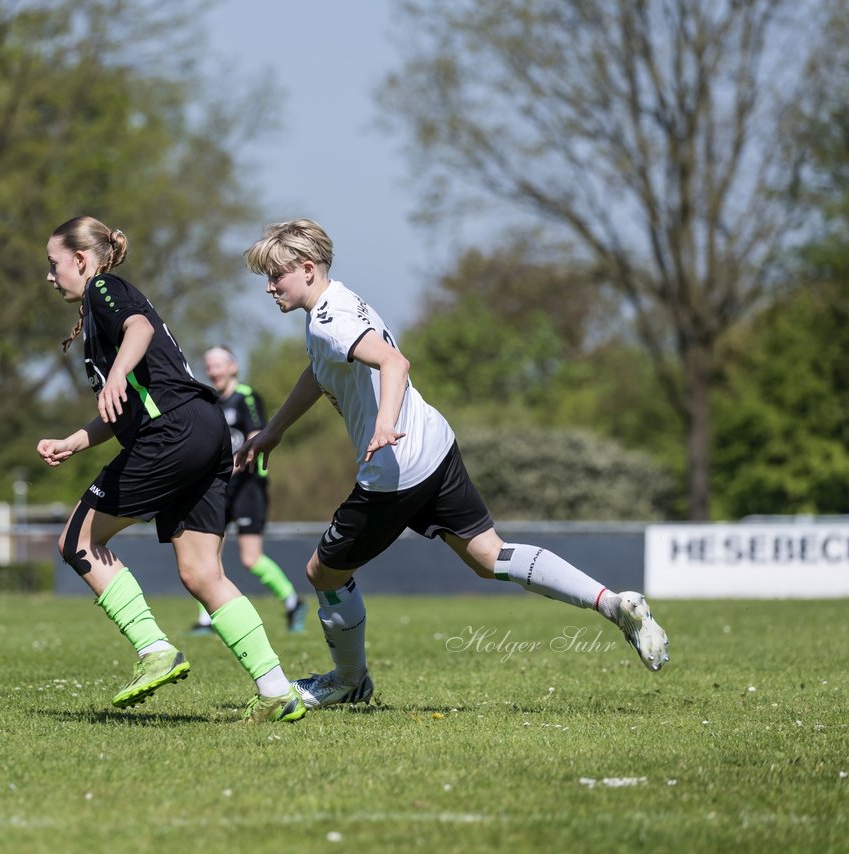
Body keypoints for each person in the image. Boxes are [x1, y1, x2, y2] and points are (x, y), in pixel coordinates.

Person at [237, 219, 670, 710]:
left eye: (276, 276)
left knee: (323, 574)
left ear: (308, 269)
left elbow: (395, 364)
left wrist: (383, 423)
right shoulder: (340, 303)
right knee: (490, 556)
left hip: (394, 471)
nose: (270, 288)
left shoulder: (329, 320)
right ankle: (612, 603)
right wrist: (275, 428)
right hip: (435, 446)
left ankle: (349, 680)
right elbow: (322, 370)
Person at [36, 215, 305, 723]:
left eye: (54, 265)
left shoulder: (104, 289)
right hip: (202, 432)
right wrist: (76, 441)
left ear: (80, 259)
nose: (50, 276)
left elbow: (138, 330)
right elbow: (126, 406)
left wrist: (115, 373)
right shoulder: (96, 314)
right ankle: (277, 691)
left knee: (77, 540)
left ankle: (153, 649)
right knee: (203, 572)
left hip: (173, 433)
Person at [189, 346, 307, 635]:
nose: (213, 370)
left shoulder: (247, 397)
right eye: (209, 366)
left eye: (218, 364)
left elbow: (255, 438)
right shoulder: (211, 402)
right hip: (219, 487)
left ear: (233, 367)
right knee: (207, 554)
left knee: (250, 558)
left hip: (248, 486)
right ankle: (208, 620)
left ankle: (293, 603)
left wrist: (230, 468)